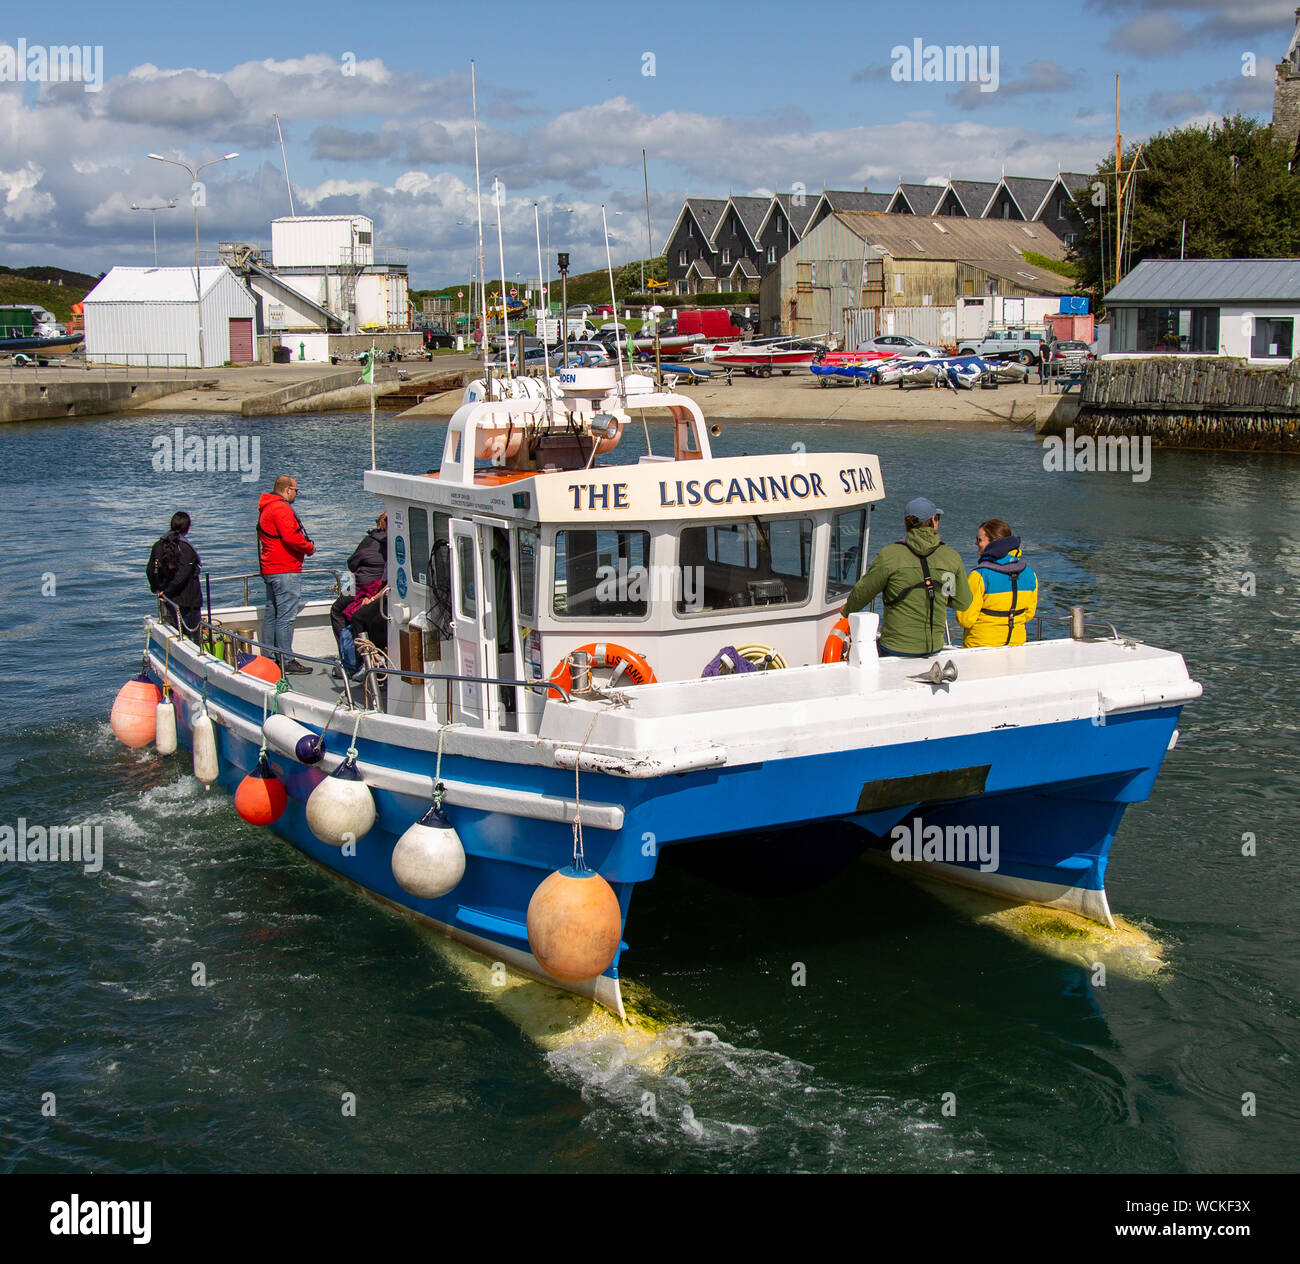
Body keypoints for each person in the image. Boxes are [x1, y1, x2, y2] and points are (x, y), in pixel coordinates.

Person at [840, 496, 973, 657]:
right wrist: (939, 593)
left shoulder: (890, 555)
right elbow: (963, 603)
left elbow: (863, 592)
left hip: (895, 647)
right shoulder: (951, 556)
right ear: (934, 521)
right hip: (934, 647)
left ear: (906, 524)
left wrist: (846, 610)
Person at [257, 475, 315, 674]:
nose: (296, 495)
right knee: (285, 617)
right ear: (287, 489)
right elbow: (291, 537)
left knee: (272, 614)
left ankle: (270, 656)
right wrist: (308, 547)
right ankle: (286, 659)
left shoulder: (266, 507)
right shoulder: (280, 508)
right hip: (285, 569)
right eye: (296, 491)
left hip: (271, 568)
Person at [956, 518, 1039, 648]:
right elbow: (1029, 614)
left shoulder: (979, 575)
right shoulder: (1029, 573)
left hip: (980, 646)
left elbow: (965, 619)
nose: (975, 543)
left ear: (993, 543)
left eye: (979, 540)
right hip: (1016, 643)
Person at [330, 511, 387, 645]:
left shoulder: (369, 541)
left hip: (364, 585)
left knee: (337, 610)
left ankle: (346, 649)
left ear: (379, 523)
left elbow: (352, 563)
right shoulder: (394, 542)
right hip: (380, 585)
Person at [147, 511, 202, 642]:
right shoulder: (186, 548)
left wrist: (158, 590)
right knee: (192, 638)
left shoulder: (158, 545)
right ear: (188, 528)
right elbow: (182, 575)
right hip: (188, 600)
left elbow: (150, 570)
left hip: (168, 599)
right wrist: (167, 591)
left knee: (176, 633)